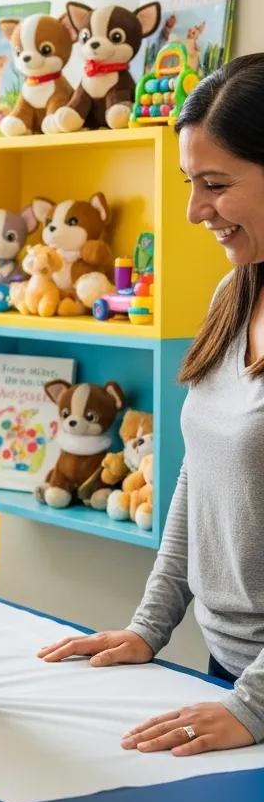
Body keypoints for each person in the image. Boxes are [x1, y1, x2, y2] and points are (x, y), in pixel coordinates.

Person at [38, 52, 264, 756]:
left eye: (216, 185)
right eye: (190, 183)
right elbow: (199, 474)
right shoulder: (233, 296)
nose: (197, 211)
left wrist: (257, 706)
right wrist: (148, 627)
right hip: (231, 673)